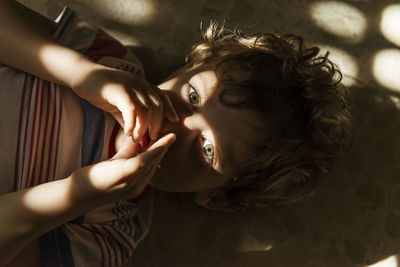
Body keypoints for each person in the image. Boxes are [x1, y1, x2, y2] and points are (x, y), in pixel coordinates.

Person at [0, 0, 351, 266]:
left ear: (217, 197)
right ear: (187, 66)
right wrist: (77, 71)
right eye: (193, 97)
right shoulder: (111, 61)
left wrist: (76, 195)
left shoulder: (112, 230)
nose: (178, 125)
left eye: (208, 150)